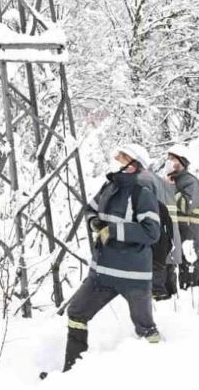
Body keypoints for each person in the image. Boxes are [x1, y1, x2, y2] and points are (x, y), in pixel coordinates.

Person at [63, 143, 161, 372]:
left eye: (122, 157)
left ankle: (160, 371)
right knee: (76, 312)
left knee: (146, 329)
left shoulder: (143, 193)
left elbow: (151, 232)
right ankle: (71, 372)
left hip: (134, 276)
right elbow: (90, 209)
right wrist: (94, 221)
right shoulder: (109, 186)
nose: (116, 160)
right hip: (103, 273)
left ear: (134, 165)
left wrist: (114, 230)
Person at [166, 146, 199, 289]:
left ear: (182, 162)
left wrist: (172, 188)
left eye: (173, 159)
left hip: (191, 234)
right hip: (180, 232)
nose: (170, 162)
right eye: (169, 159)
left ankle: (196, 303)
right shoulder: (174, 180)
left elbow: (186, 206)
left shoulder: (190, 181)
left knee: (191, 274)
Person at [138, 157, 181, 301]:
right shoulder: (160, 200)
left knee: (157, 271)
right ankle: (170, 294)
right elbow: (169, 223)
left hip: (157, 244)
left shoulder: (149, 203)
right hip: (165, 243)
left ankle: (161, 295)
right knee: (166, 268)